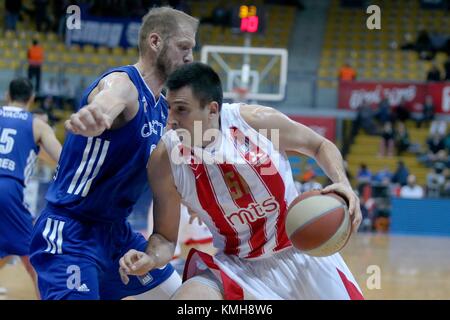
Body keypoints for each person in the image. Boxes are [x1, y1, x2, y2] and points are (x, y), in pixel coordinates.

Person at [119, 62, 363, 300]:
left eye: (181, 109)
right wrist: (150, 258)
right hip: (238, 266)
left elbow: (319, 145)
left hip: (303, 254)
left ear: (212, 110)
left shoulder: (255, 122)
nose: (170, 119)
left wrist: (342, 183)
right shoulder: (164, 160)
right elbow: (165, 237)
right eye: (168, 107)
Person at [29, 7, 198, 300]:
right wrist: (98, 113)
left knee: (183, 296)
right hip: (72, 232)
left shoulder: (161, 109)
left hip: (117, 237)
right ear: (155, 42)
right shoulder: (125, 84)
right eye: (183, 47)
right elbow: (110, 97)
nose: (190, 57)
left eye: (192, 49)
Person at [0, 78, 62, 298]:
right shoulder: (36, 124)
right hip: (9, 190)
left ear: (8, 95)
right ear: (31, 99)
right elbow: (62, 158)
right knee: (33, 255)